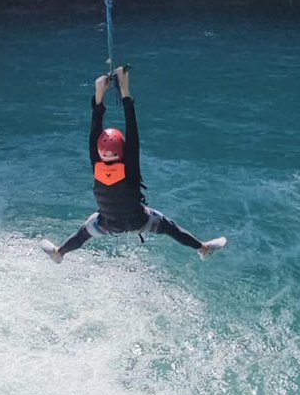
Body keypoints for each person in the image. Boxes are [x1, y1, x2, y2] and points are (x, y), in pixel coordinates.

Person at [40, 66, 226, 263]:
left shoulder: (97, 165)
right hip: (140, 221)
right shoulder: (129, 169)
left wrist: (99, 94)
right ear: (122, 148)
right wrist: (125, 89)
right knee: (169, 227)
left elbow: (94, 129)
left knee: (84, 233)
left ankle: (59, 252)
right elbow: (132, 127)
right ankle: (203, 248)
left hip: (107, 224)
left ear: (99, 149)